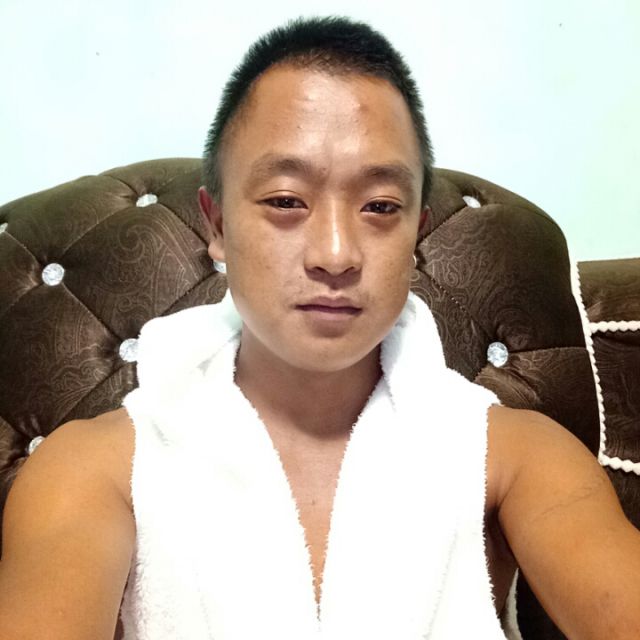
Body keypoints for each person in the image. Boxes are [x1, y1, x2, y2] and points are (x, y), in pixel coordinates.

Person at [1, 15, 639, 640]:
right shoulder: (97, 468)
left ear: (417, 233)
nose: (336, 254)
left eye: (380, 206)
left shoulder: (516, 457)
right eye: (286, 201)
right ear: (217, 225)